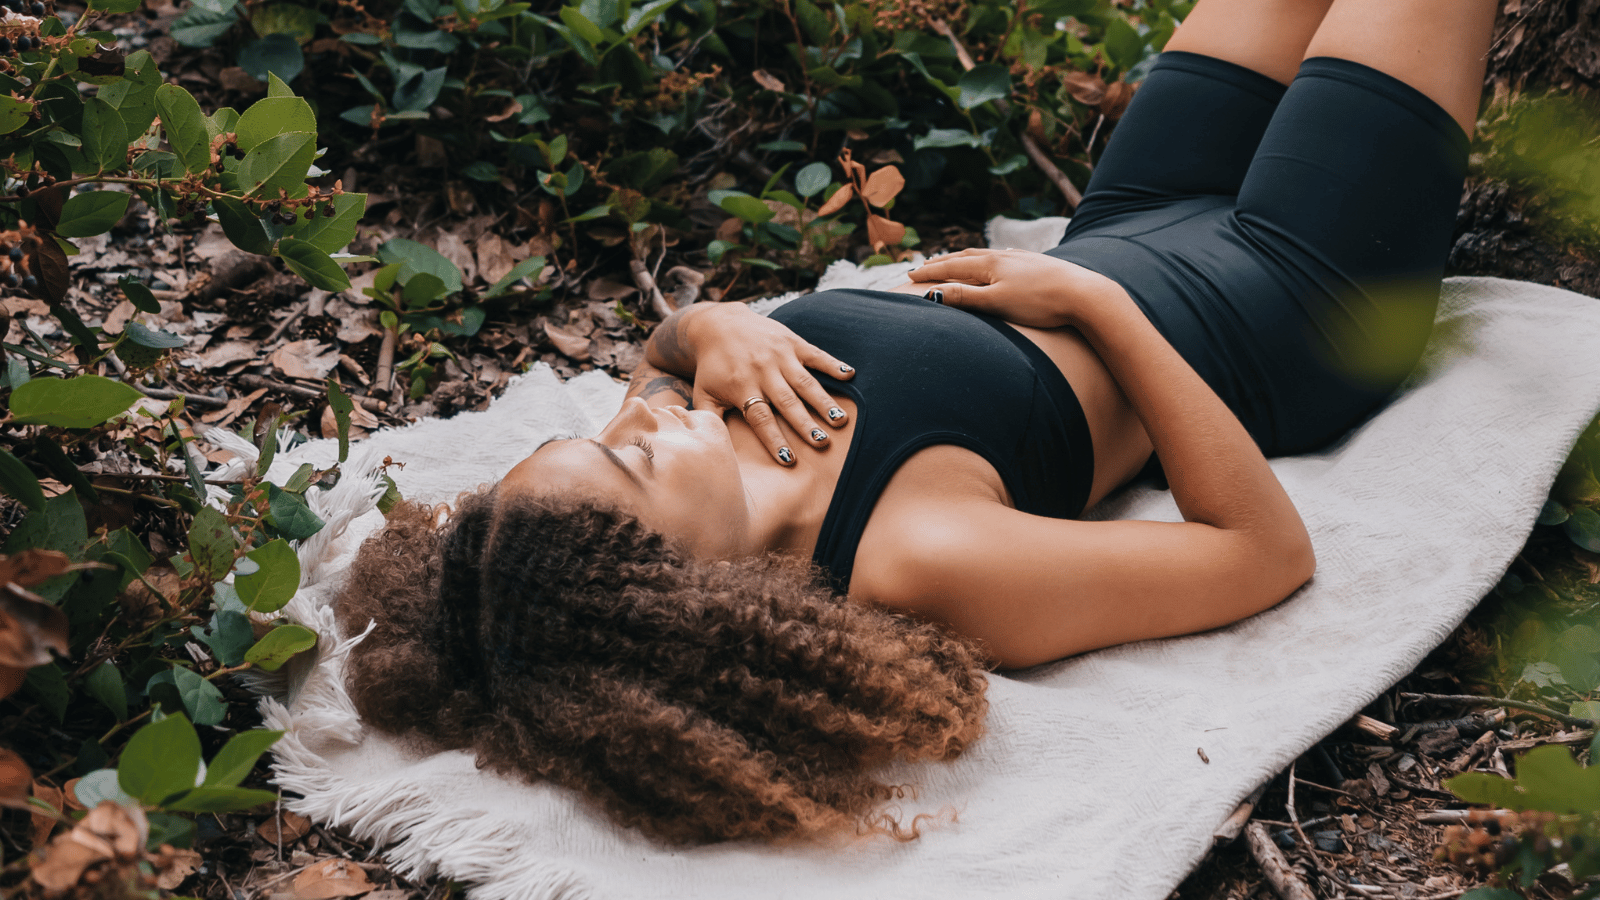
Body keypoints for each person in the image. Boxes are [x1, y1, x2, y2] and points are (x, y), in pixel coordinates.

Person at [338, 0, 1498, 845]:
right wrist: (1098, 307)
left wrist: (705, 323)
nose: (640, 418)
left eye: (603, 431)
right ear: (678, 589)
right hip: (1288, 296)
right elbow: (1261, 554)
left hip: (1130, 211)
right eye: (634, 464)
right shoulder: (915, 555)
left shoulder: (706, 420)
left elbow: (655, 370)